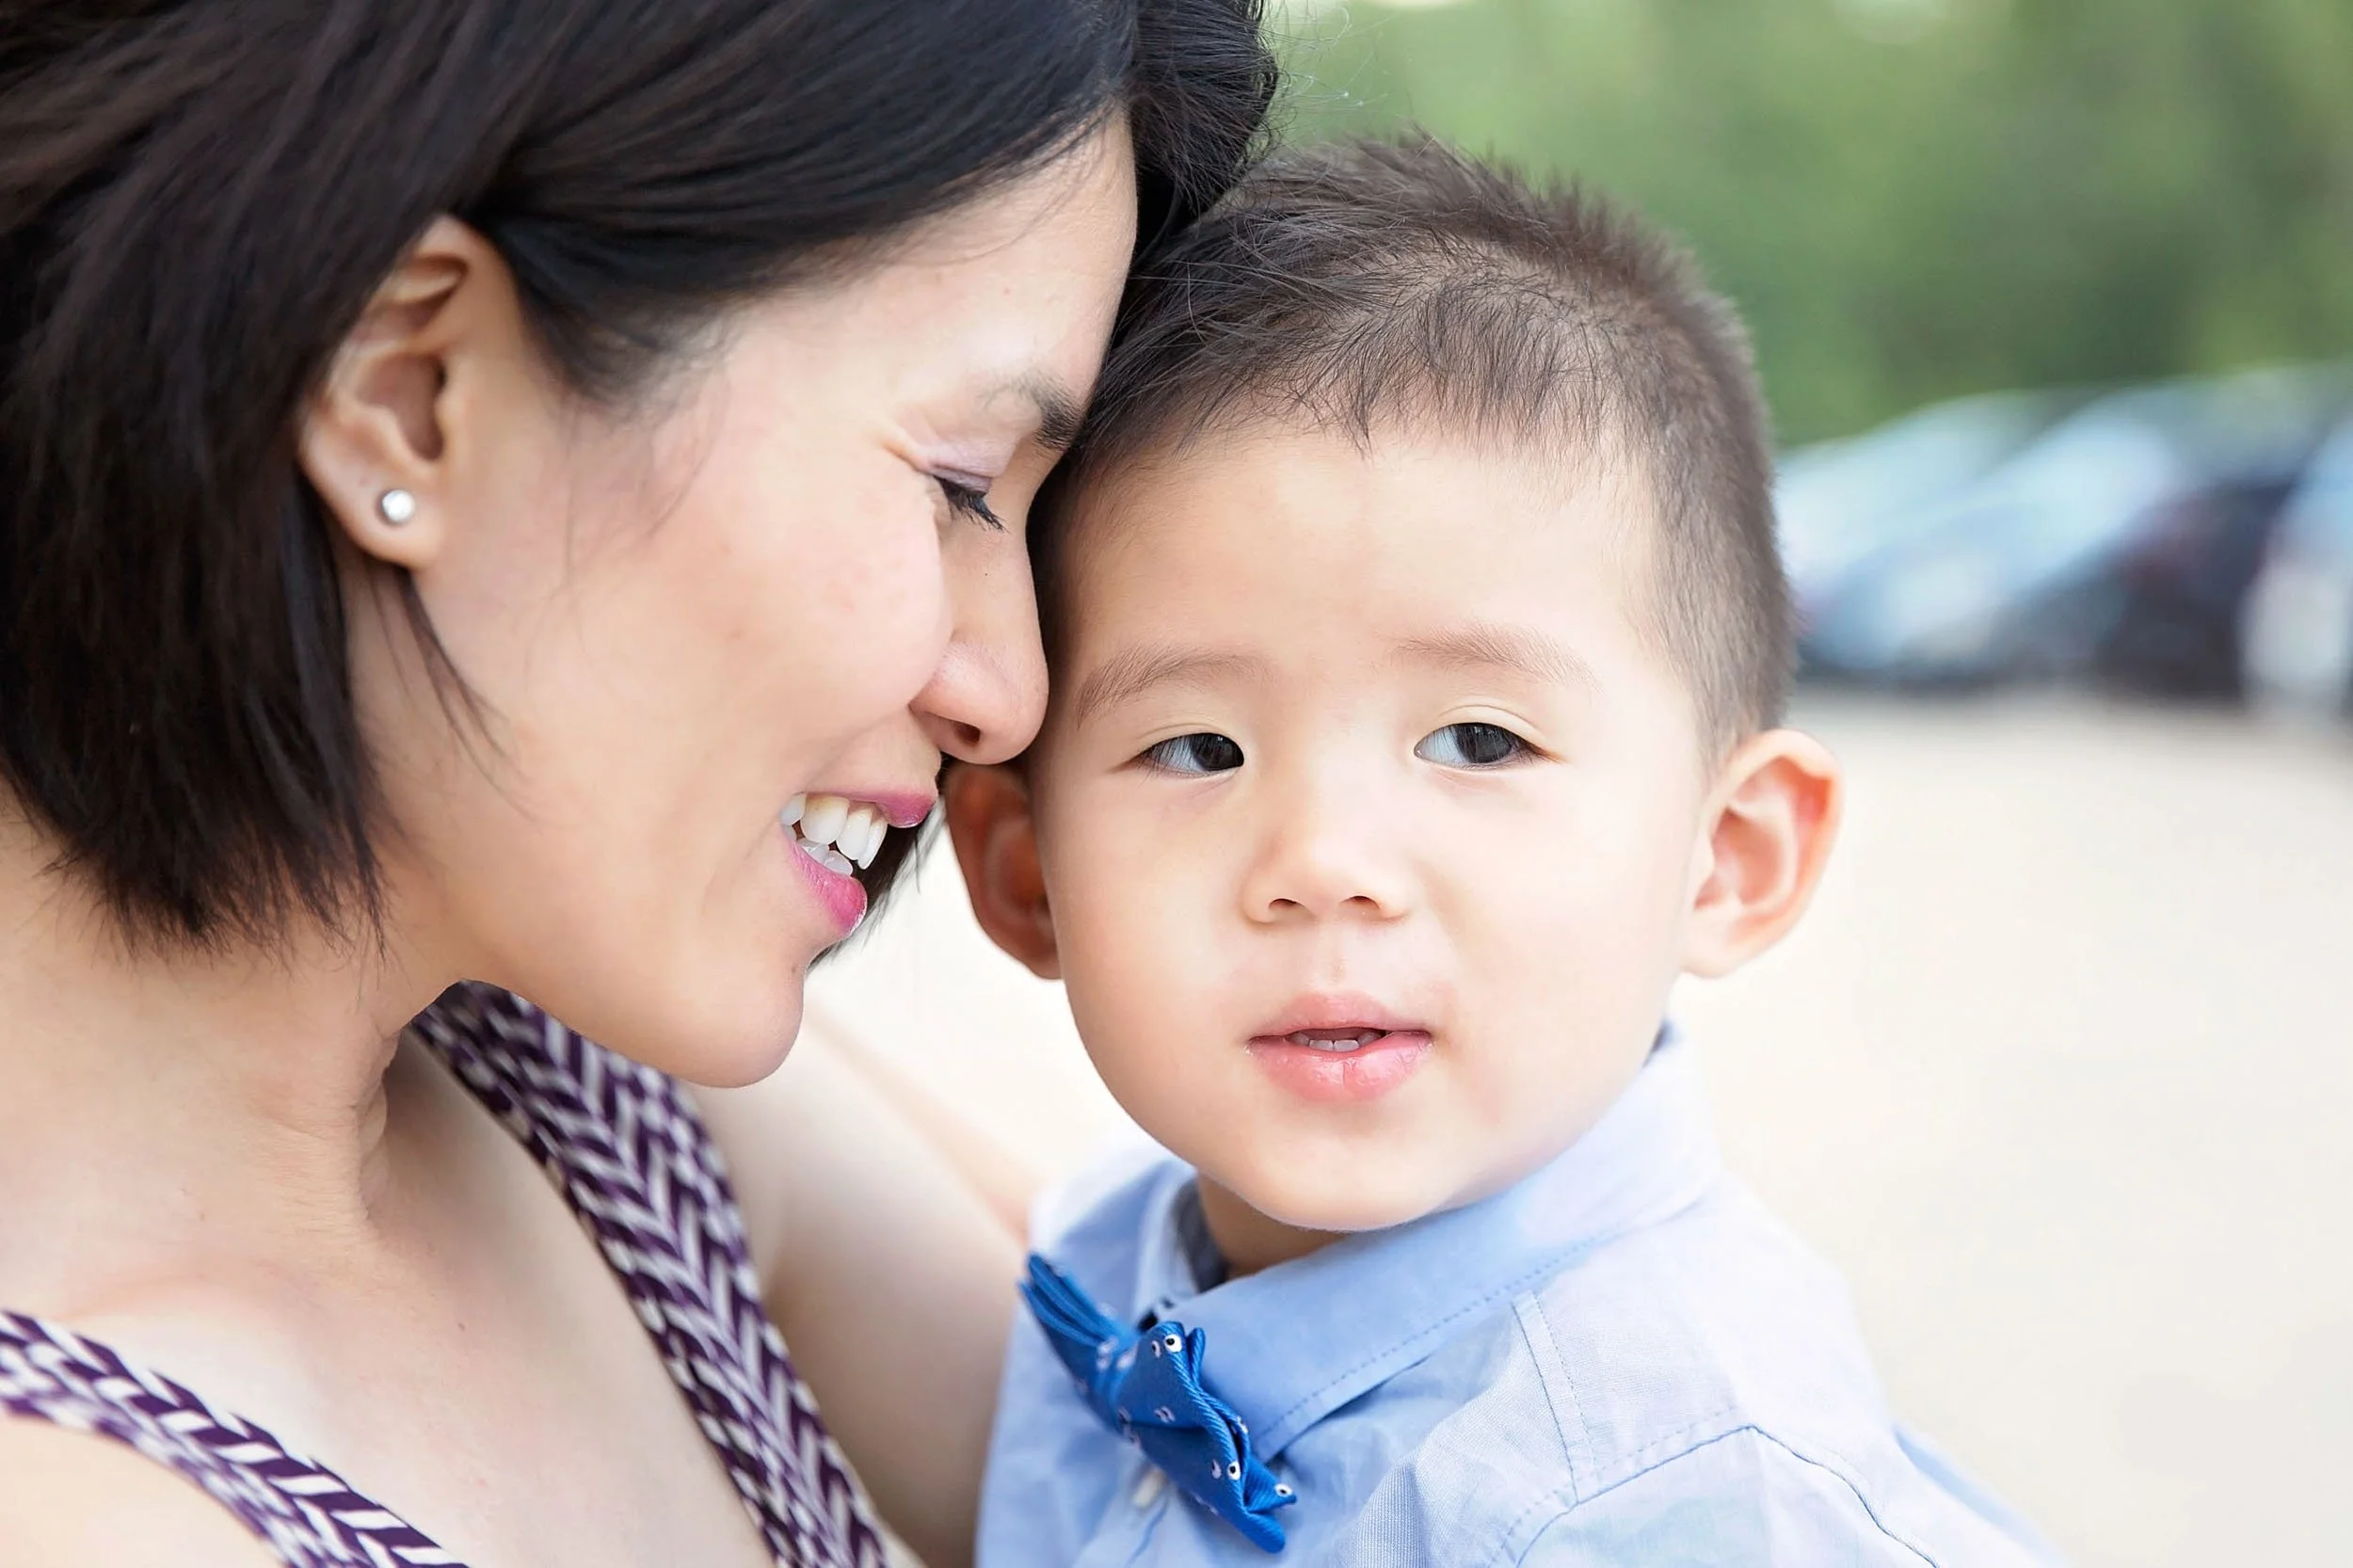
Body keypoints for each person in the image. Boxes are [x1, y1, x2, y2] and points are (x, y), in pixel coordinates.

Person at [0, 5, 1273, 1566]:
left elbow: (1302, 1479)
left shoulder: (582, 1099)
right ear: (411, 390)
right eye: (955, 485)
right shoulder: (86, 1508)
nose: (1009, 691)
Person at [945, 137, 2061, 1565]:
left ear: (1727, 856)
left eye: (1476, 741)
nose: (1327, 860)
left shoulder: (1678, 1497)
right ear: (1025, 873)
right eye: (1200, 749)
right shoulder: (1122, 1256)